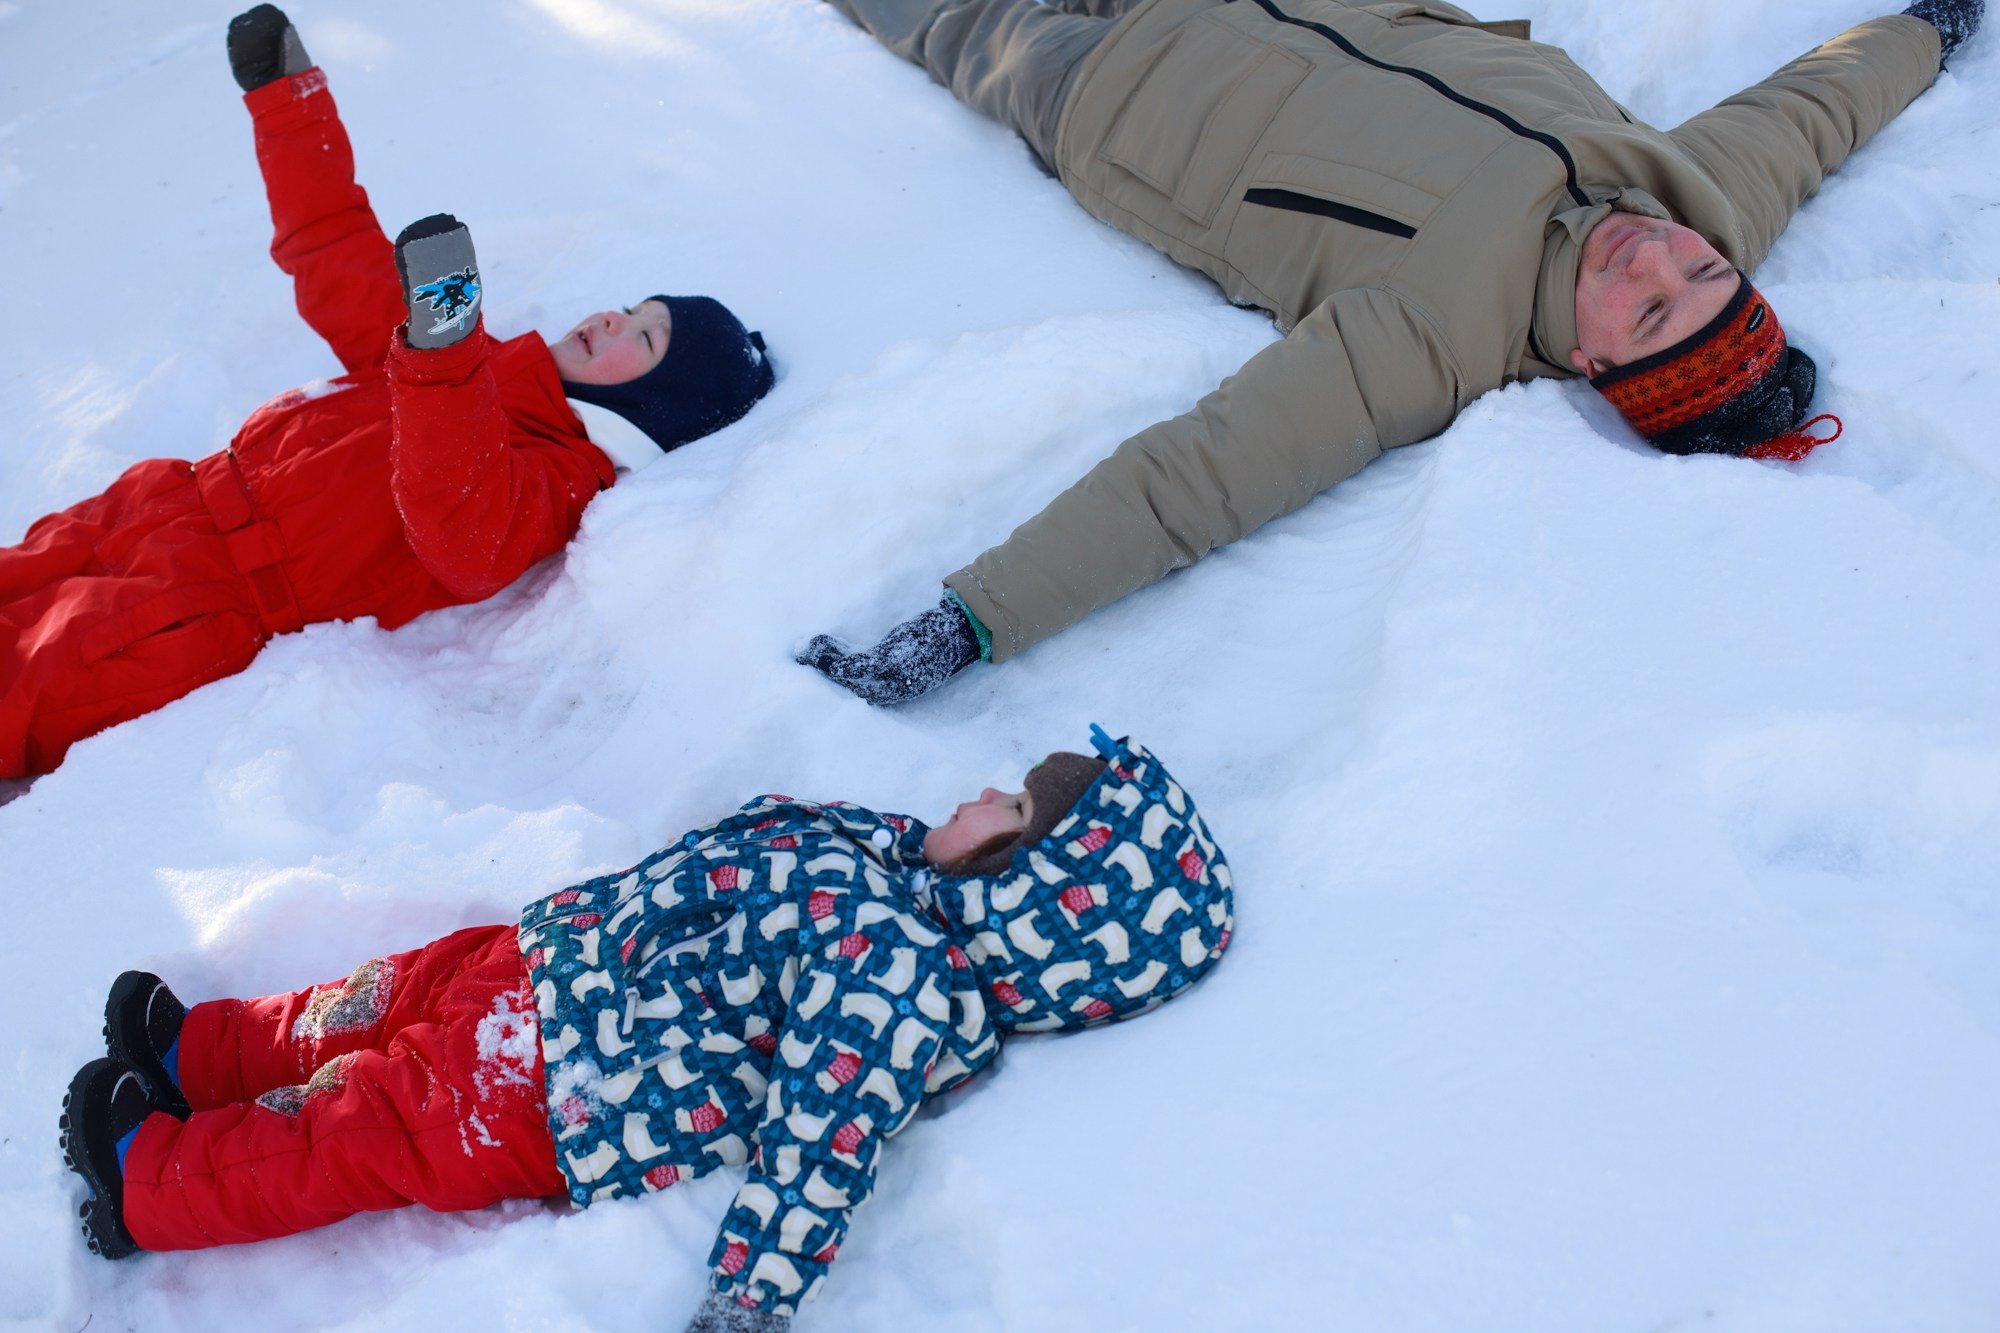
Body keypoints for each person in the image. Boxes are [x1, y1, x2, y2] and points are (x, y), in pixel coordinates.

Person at [797, 0, 1984, 705]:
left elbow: (1193, 482)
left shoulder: (1426, 335)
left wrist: (964, 624)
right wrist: (1928, 28)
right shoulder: (1701, 194)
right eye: (1704, 270)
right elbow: (1818, 109)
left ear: (1593, 368)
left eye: (1655, 312)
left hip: (1117, 94)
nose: (1656, 259)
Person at [58, 728, 1233, 1333]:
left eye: (1008, 806)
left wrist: (747, 1302)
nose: (979, 792)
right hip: (553, 958)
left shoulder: (901, 983)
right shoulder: (886, 848)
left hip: (569, 1086)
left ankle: (149, 1183)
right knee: (376, 997)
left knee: (362, 1120)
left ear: (1016, 880)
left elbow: (819, 1151)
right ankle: (197, 1057)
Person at [0, 5, 775, 781]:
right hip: (154, 505)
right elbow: (335, 249)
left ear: (657, 407)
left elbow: (461, 529)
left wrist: (444, 353)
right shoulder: (469, 358)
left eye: (643, 339)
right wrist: (288, 98)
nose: (614, 318)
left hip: (193, 607)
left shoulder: (554, 475)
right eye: (634, 307)